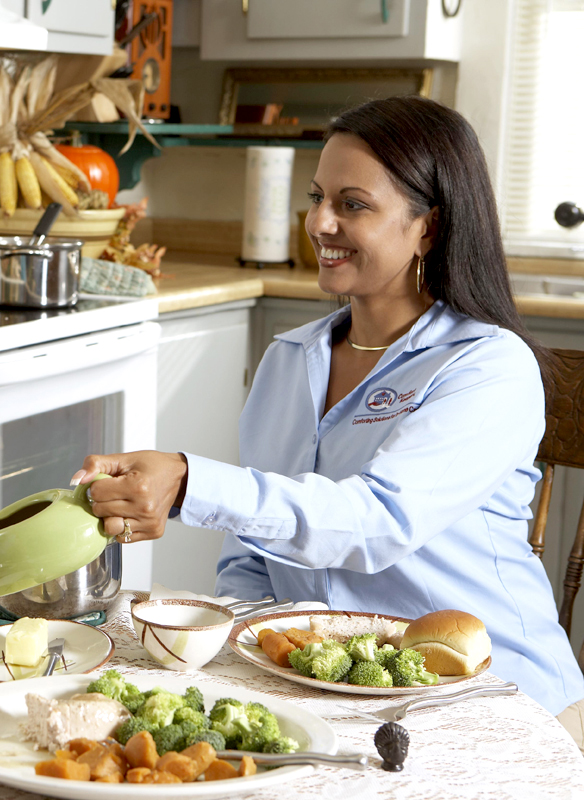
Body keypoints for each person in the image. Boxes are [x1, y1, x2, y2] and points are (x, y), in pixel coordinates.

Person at [71, 96, 584, 736]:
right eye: (317, 197)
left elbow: (376, 521)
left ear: (428, 225)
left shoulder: (488, 368)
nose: (319, 222)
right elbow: (250, 558)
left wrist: (188, 481)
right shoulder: (290, 360)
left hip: (498, 702)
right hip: (336, 695)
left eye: (353, 204)